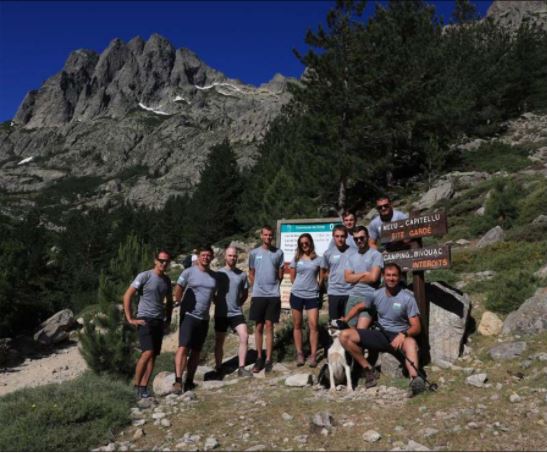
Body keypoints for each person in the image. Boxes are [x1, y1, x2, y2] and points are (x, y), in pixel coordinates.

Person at [338, 263, 426, 396]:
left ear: (399, 277)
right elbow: (359, 307)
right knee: (344, 336)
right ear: (383, 277)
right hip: (380, 334)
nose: (391, 278)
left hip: (399, 336)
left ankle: (415, 380)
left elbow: (417, 327)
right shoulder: (376, 294)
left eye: (394, 275)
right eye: (388, 275)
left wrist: (404, 334)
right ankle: (368, 369)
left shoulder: (407, 298)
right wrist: (346, 319)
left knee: (411, 343)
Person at [123, 250, 173, 398]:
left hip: (158, 320)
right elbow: (127, 295)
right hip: (144, 319)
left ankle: (144, 388)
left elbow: (169, 301)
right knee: (147, 352)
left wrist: (168, 319)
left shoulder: (167, 280)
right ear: (155, 260)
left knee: (153, 356)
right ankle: (136, 386)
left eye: (166, 261)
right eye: (161, 260)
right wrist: (130, 318)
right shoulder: (144, 276)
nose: (164, 263)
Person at [173, 246, 218, 393]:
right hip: (189, 316)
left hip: (204, 318)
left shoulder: (213, 276)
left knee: (196, 350)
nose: (206, 257)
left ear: (211, 257)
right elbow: (178, 288)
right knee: (183, 347)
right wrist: (181, 303)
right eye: (203, 255)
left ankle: (190, 380)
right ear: (198, 257)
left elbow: (214, 295)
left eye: (208, 255)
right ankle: (178, 380)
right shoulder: (188, 272)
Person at [248, 225, 284, 373]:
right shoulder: (254, 253)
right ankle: (259, 357)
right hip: (258, 295)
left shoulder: (278, 253)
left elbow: (280, 273)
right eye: (266, 235)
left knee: (269, 325)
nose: (268, 237)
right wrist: (256, 286)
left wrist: (274, 286)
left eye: (270, 235)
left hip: (273, 295)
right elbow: (251, 272)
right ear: (261, 236)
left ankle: (269, 359)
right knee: (258, 326)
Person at [213, 246, 252, 377]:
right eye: (230, 255)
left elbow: (245, 293)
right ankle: (218, 367)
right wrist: (217, 302)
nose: (232, 258)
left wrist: (238, 304)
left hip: (236, 312)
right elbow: (212, 292)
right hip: (221, 313)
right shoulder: (218, 274)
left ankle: (241, 367)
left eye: (234, 256)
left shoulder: (242, 275)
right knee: (219, 341)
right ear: (225, 257)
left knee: (244, 336)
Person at [289, 233, 324, 367]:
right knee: (297, 325)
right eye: (302, 243)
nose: (304, 245)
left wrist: (316, 288)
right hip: (297, 294)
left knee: (313, 325)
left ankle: (313, 355)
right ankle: (299, 354)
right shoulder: (296, 259)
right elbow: (292, 277)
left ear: (311, 243)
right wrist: (300, 286)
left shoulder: (318, 259)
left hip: (312, 295)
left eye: (306, 243)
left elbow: (322, 278)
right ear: (299, 245)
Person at [344, 226, 383, 329]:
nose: (359, 240)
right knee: (350, 332)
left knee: (361, 332)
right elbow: (347, 278)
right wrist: (364, 274)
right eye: (356, 239)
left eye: (362, 237)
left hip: (369, 297)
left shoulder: (376, 255)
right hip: (353, 296)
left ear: (368, 237)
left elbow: (373, 278)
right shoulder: (351, 257)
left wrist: (355, 278)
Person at [320, 225, 355, 321]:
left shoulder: (354, 252)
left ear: (346, 236)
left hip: (350, 292)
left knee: (349, 323)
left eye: (342, 236)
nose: (340, 239)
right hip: (334, 292)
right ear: (333, 236)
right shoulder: (328, 253)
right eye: (337, 236)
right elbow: (323, 270)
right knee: (334, 323)